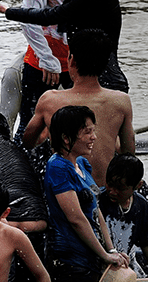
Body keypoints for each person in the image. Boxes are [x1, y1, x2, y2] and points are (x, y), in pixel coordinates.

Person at [43, 105, 129, 282]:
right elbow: (76, 219)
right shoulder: (58, 167)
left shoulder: (81, 163)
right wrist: (103, 255)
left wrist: (111, 251)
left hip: (90, 259)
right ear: (66, 138)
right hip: (70, 263)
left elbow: (95, 211)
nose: (94, 137)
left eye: (94, 130)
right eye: (87, 132)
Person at [21, 28, 134, 188]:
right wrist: (109, 137)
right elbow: (128, 153)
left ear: (71, 60)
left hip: (67, 191)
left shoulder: (50, 99)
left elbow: (28, 141)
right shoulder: (121, 101)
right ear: (105, 64)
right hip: (104, 191)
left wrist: (48, 131)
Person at [98, 154, 148, 279]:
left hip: (124, 268)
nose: (112, 191)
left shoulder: (141, 206)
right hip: (100, 267)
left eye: (120, 188)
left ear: (138, 186)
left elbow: (146, 243)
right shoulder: (97, 202)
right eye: (109, 184)